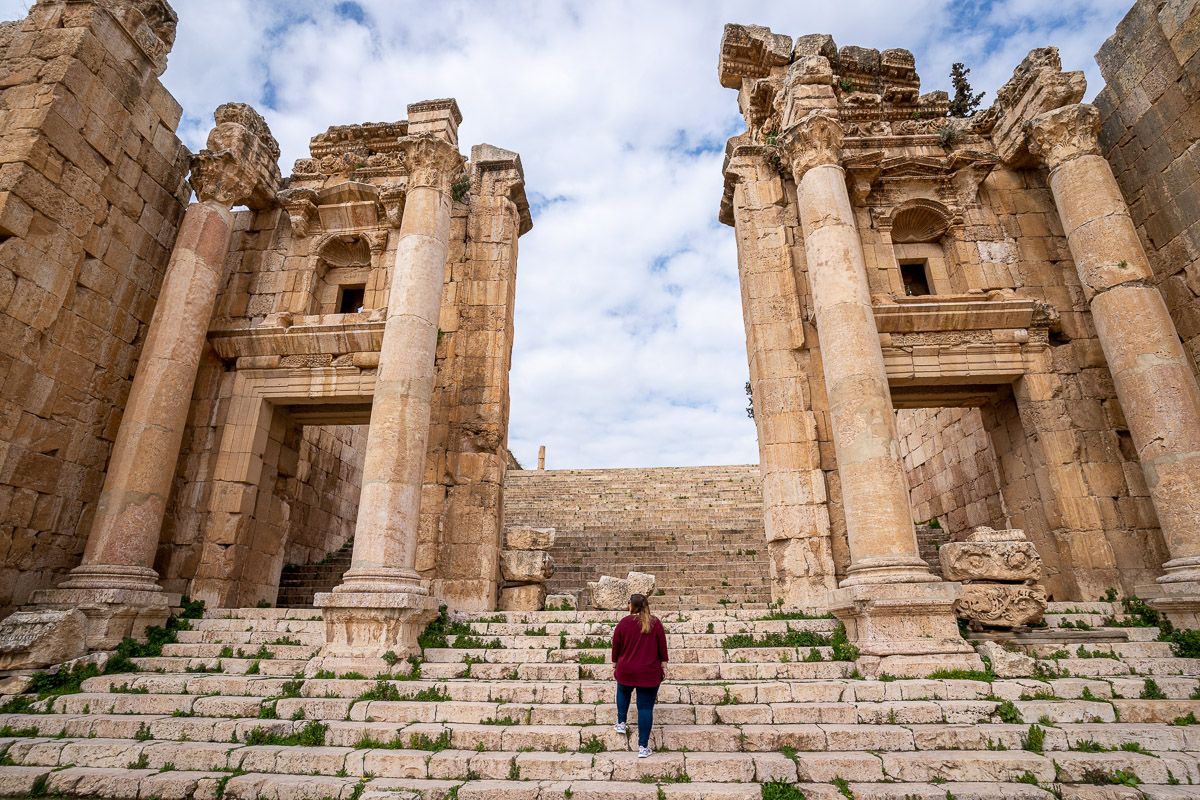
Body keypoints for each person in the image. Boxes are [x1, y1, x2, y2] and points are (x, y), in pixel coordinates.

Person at [610, 592, 668, 757]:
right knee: (645, 708)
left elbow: (616, 645)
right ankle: (643, 747)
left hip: (626, 669)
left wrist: (614, 662)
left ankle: (621, 722)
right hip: (648, 671)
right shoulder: (655, 623)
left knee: (623, 691)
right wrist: (664, 665)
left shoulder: (624, 623)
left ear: (631, 605)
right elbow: (662, 647)